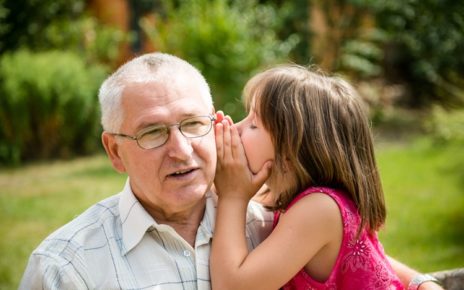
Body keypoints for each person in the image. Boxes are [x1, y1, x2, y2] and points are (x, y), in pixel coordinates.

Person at [19, 53, 439, 290]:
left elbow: (358, 250)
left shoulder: (268, 217)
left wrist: (421, 282)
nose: (180, 150)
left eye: (193, 124)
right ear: (114, 150)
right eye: (152, 133)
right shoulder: (65, 269)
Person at [211, 65, 442, 290]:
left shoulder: (319, 209)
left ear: (291, 152)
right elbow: (374, 258)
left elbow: (232, 286)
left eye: (253, 124)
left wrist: (233, 196)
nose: (237, 128)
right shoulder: (303, 199)